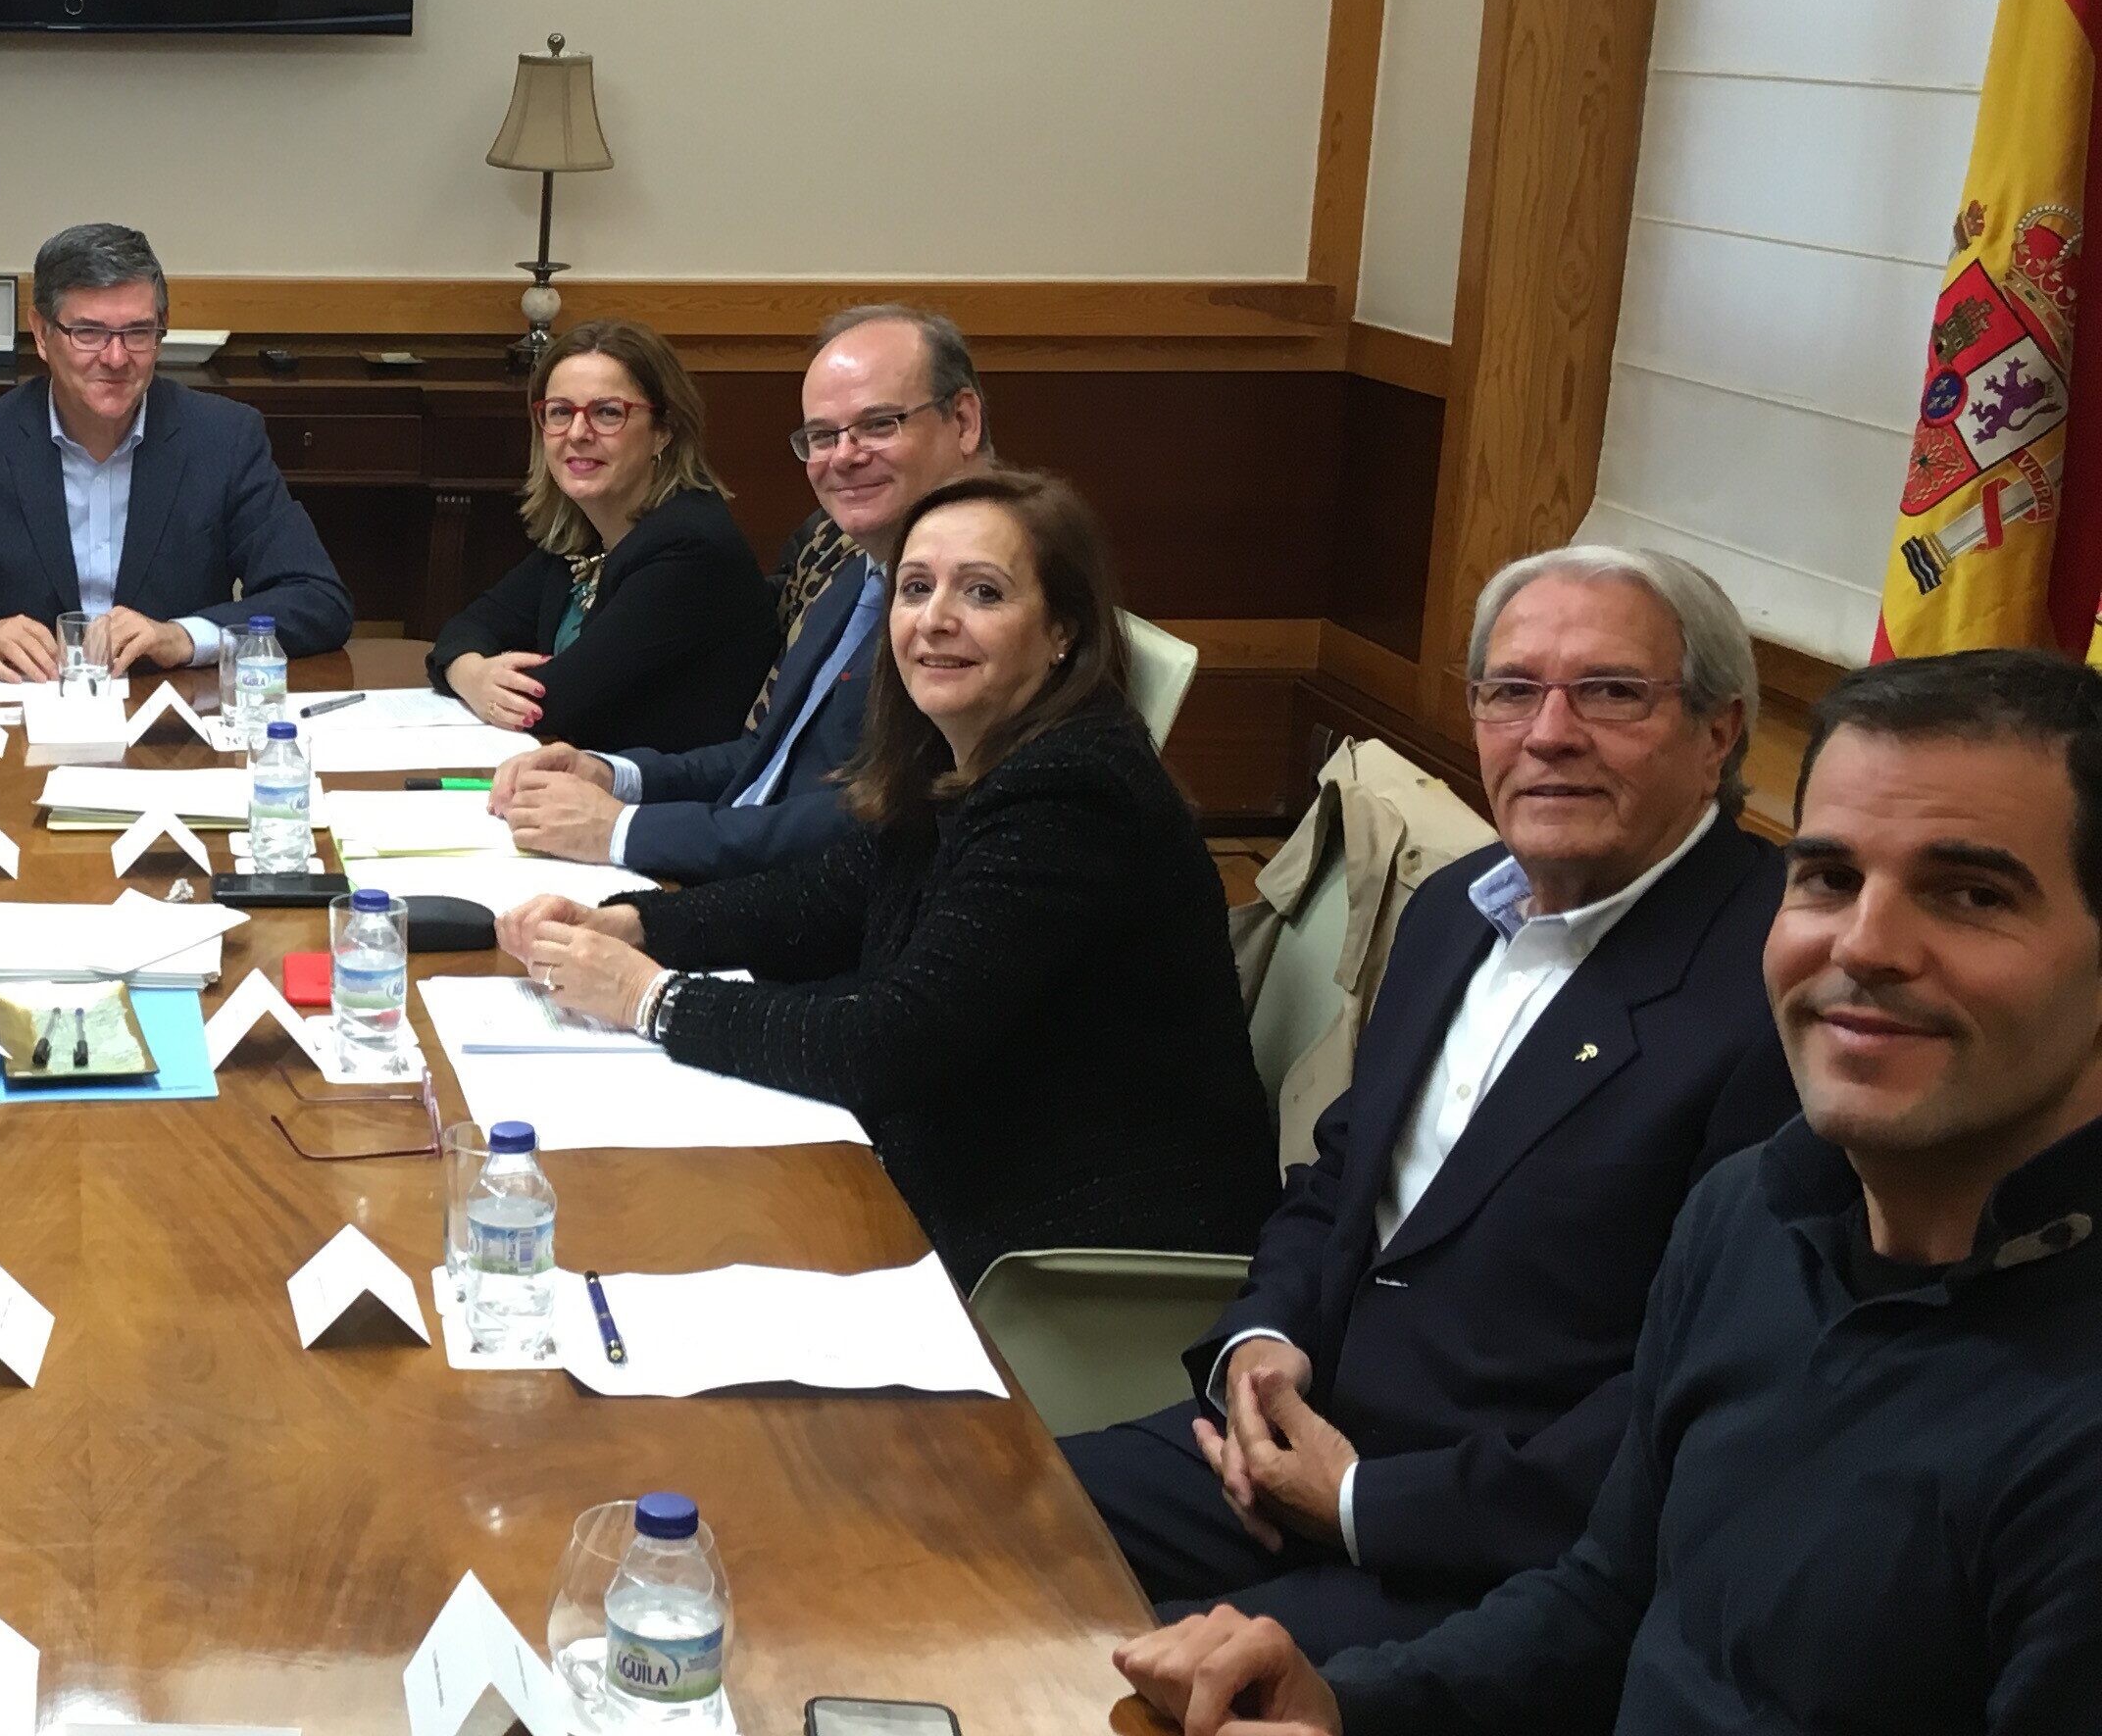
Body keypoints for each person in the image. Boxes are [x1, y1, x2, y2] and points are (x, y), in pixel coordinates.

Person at [1115, 648, 2102, 1736]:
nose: (1866, 946)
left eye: (1971, 895)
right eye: (1827, 878)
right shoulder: (1751, 1214)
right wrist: (1342, 1706)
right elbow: (1603, 1600)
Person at [1062, 546, 1798, 1657]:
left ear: (1717, 733)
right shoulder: (1460, 905)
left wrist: (1364, 1502)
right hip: (1283, 1441)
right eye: (1512, 691)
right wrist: (1261, 1343)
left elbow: (1695, 1393)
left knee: (1093, 1684)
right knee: (944, 1525)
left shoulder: (1776, 994)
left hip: (1484, 1555)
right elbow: (1341, 1175)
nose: (1549, 733)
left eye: (1609, 692)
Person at [502, 470, 1275, 1289]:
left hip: (1072, 1254)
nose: (935, 619)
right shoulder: (955, 747)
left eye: (982, 592)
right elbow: (826, 897)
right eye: (915, 588)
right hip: (961, 1173)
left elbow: (891, 1043)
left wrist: (648, 999)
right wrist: (634, 925)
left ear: (1063, 632)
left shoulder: (1072, 791)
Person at [484, 302, 995, 882]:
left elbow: (883, 821)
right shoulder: (858, 568)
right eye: (823, 435)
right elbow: (762, 758)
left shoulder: (987, 602)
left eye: (880, 424)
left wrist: (623, 832)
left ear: (963, 421)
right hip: (740, 884)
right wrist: (613, 774)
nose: (845, 456)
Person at [0, 223, 354, 677]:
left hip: (169, 721)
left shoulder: (222, 437)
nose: (116, 358)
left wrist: (185, 638)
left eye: (138, 332)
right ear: (41, 334)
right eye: (89, 333)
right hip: (22, 722)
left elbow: (319, 599)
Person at [426, 319, 778, 751]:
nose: (577, 433)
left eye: (607, 412)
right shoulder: (585, 535)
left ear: (663, 431)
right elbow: (467, 627)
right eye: (560, 412)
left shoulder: (692, 548)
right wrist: (472, 674)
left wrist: (478, 679)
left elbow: (554, 701)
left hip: (663, 789)